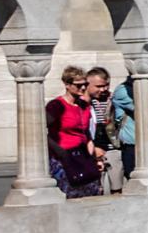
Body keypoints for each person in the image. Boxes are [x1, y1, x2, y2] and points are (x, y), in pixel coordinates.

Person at [44, 65, 106, 198]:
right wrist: (60, 151)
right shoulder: (56, 105)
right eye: (78, 85)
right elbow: (42, 131)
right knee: (69, 193)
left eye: (85, 84)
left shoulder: (84, 106)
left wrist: (92, 156)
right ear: (67, 85)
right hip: (63, 157)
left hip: (83, 154)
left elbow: (86, 133)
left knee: (92, 191)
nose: (83, 88)